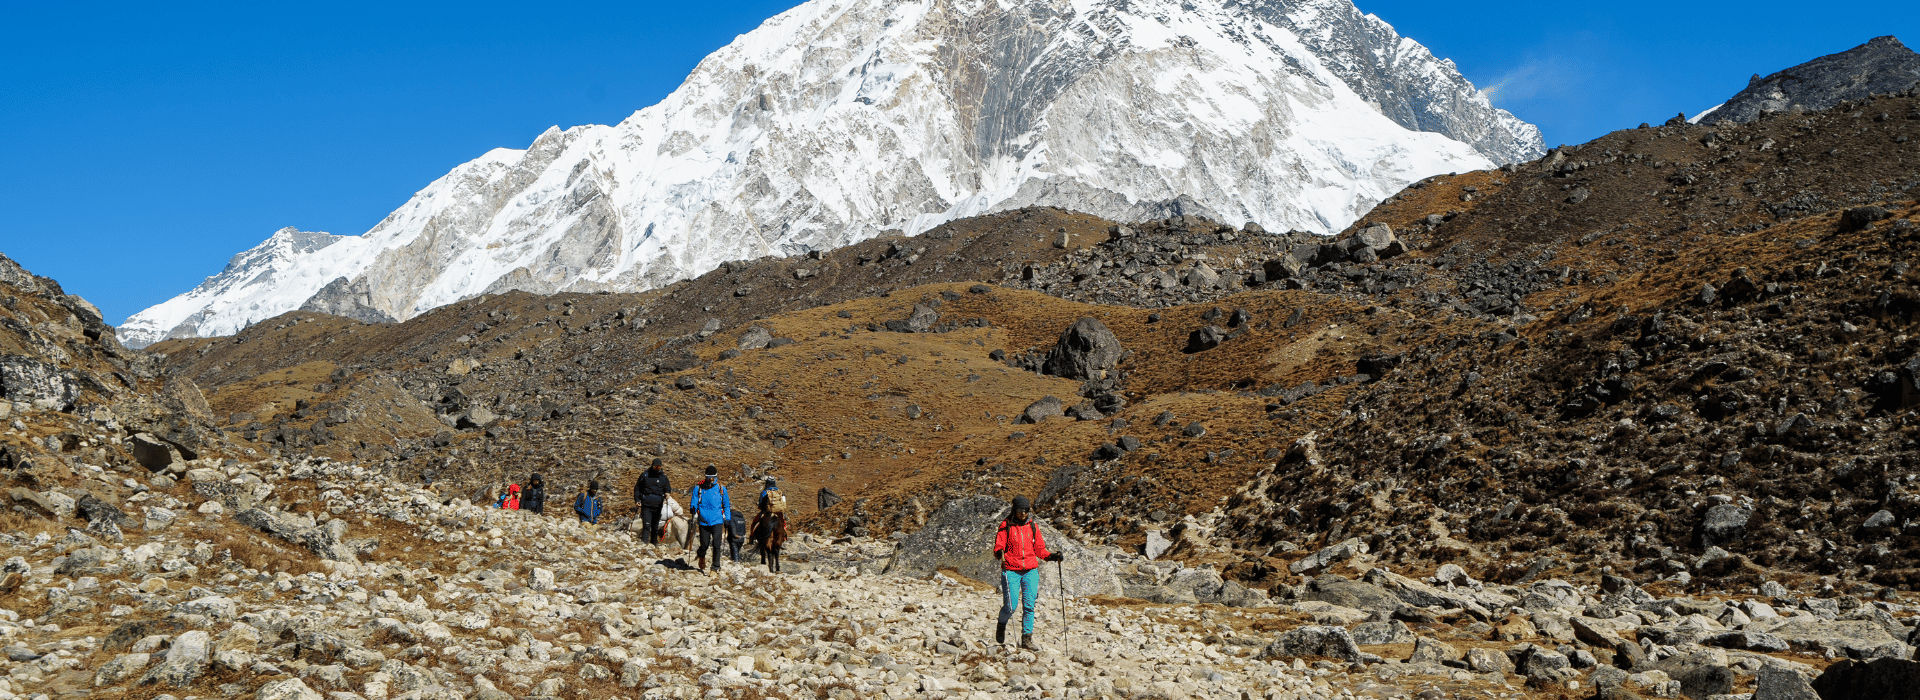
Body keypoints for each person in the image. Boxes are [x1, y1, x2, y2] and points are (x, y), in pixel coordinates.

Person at [993, 496, 1063, 650]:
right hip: (1011, 570)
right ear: (1014, 510)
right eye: (1020, 510)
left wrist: (1053, 557)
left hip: (1030, 570)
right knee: (1011, 606)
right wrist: (999, 552)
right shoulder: (1006, 525)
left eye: (1026, 510)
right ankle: (1001, 623)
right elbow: (999, 545)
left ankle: (1027, 639)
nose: (1023, 513)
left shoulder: (1032, 526)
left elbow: (1040, 550)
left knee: (1029, 605)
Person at [689, 466, 731, 573]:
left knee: (717, 545)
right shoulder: (698, 488)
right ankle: (701, 555)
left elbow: (726, 505)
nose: (711, 479)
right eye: (708, 477)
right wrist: (693, 508)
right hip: (703, 521)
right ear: (705, 476)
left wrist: (727, 519)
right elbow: (694, 501)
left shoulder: (721, 489)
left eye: (713, 477)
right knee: (704, 544)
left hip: (717, 521)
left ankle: (715, 567)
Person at [634, 459, 671, 545]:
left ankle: (654, 544)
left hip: (658, 505)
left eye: (659, 466)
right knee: (647, 525)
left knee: (655, 526)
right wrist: (637, 500)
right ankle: (644, 542)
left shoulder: (663, 477)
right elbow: (637, 488)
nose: (657, 468)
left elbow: (667, 488)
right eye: (656, 466)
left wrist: (667, 493)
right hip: (646, 504)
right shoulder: (645, 475)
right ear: (652, 465)